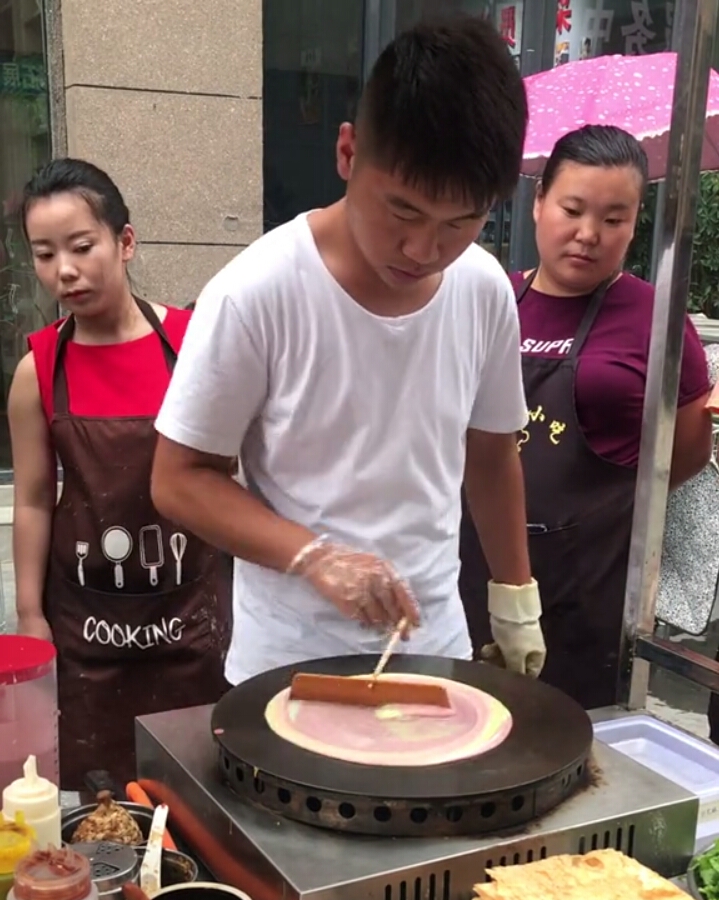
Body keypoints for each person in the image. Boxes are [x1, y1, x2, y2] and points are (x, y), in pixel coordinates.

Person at [151, 16, 546, 688]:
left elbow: (489, 456)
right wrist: (313, 557)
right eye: (402, 211)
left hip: (433, 648)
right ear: (347, 153)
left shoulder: (482, 289)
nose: (424, 251)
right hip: (290, 665)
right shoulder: (258, 292)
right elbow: (179, 478)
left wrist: (515, 604)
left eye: (459, 222)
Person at [460, 125, 712, 711]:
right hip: (472, 563)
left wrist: (612, 504)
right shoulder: (494, 299)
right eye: (572, 209)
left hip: (590, 584)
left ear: (635, 222)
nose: (588, 235)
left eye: (614, 219)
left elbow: (692, 446)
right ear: (539, 201)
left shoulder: (655, 316)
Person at [9, 159, 231, 789]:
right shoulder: (39, 368)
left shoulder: (192, 348)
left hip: (188, 620)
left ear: (124, 242)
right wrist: (30, 615)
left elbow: (228, 475)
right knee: (97, 798)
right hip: (85, 630)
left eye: (81, 247)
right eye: (45, 254)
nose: (65, 271)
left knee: (199, 792)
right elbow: (31, 499)